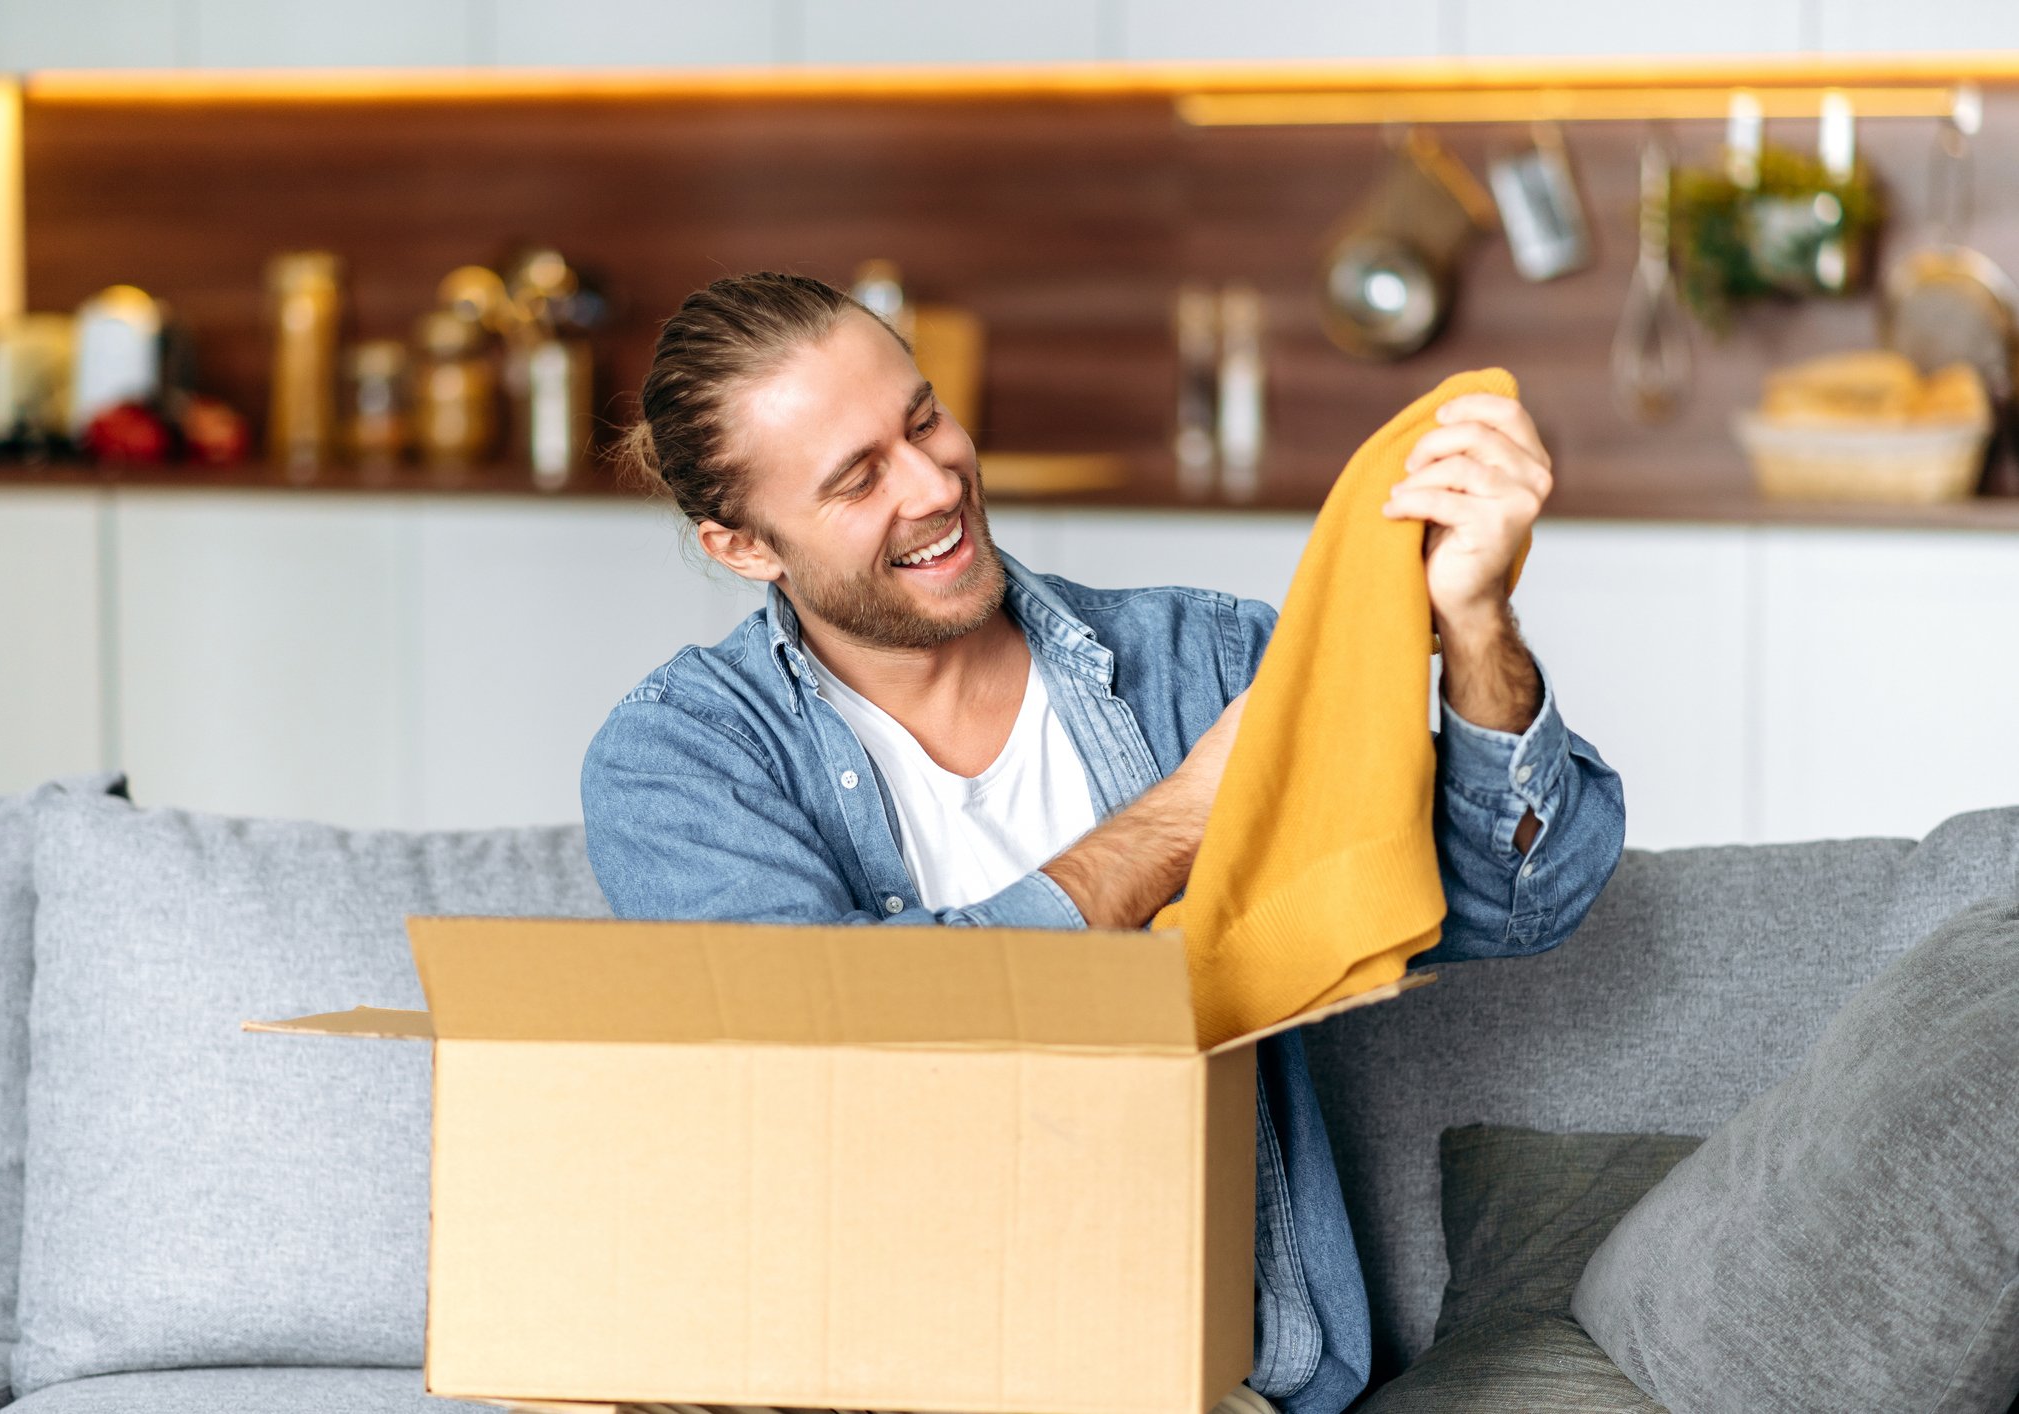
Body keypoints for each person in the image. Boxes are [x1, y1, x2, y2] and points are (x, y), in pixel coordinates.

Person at [582, 272, 1626, 1413]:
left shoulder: (1205, 662)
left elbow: (1516, 903)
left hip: (1177, 1371)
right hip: (872, 1362)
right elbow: (844, 1057)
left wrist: (1477, 625)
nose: (936, 484)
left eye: (923, 419)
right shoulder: (679, 759)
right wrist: (1180, 818)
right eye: (858, 477)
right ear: (742, 547)